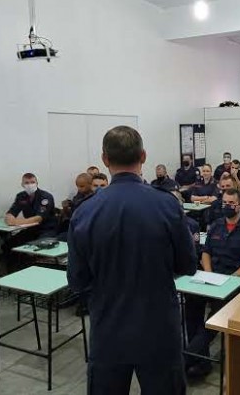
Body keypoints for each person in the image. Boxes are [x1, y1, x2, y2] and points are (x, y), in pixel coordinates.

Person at [68, 126, 197, 395]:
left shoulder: (84, 212)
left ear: (104, 159)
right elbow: (187, 265)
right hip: (158, 326)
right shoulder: (167, 205)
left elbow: (77, 281)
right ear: (144, 156)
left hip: (108, 328)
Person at [185, 188, 240, 378]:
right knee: (191, 304)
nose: (227, 206)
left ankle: (188, 358)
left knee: (214, 317)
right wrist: (209, 275)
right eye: (224, 203)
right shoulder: (216, 225)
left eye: (231, 203)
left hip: (235, 282)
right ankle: (201, 359)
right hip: (212, 277)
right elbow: (206, 252)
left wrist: (230, 280)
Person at [2, 173, 57, 271]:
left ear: (37, 183)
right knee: (8, 244)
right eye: (26, 182)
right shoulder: (21, 196)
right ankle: (12, 272)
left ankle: (33, 272)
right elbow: (11, 212)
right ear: (22, 184)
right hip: (31, 229)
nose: (30, 184)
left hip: (47, 229)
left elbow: (39, 218)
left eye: (32, 182)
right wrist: (9, 218)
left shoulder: (45, 197)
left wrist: (16, 222)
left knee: (36, 248)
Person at [57, 173, 95, 240]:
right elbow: (73, 214)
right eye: (77, 186)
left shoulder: (95, 197)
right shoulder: (78, 196)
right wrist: (66, 208)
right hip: (76, 226)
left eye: (82, 186)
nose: (79, 189)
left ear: (90, 184)